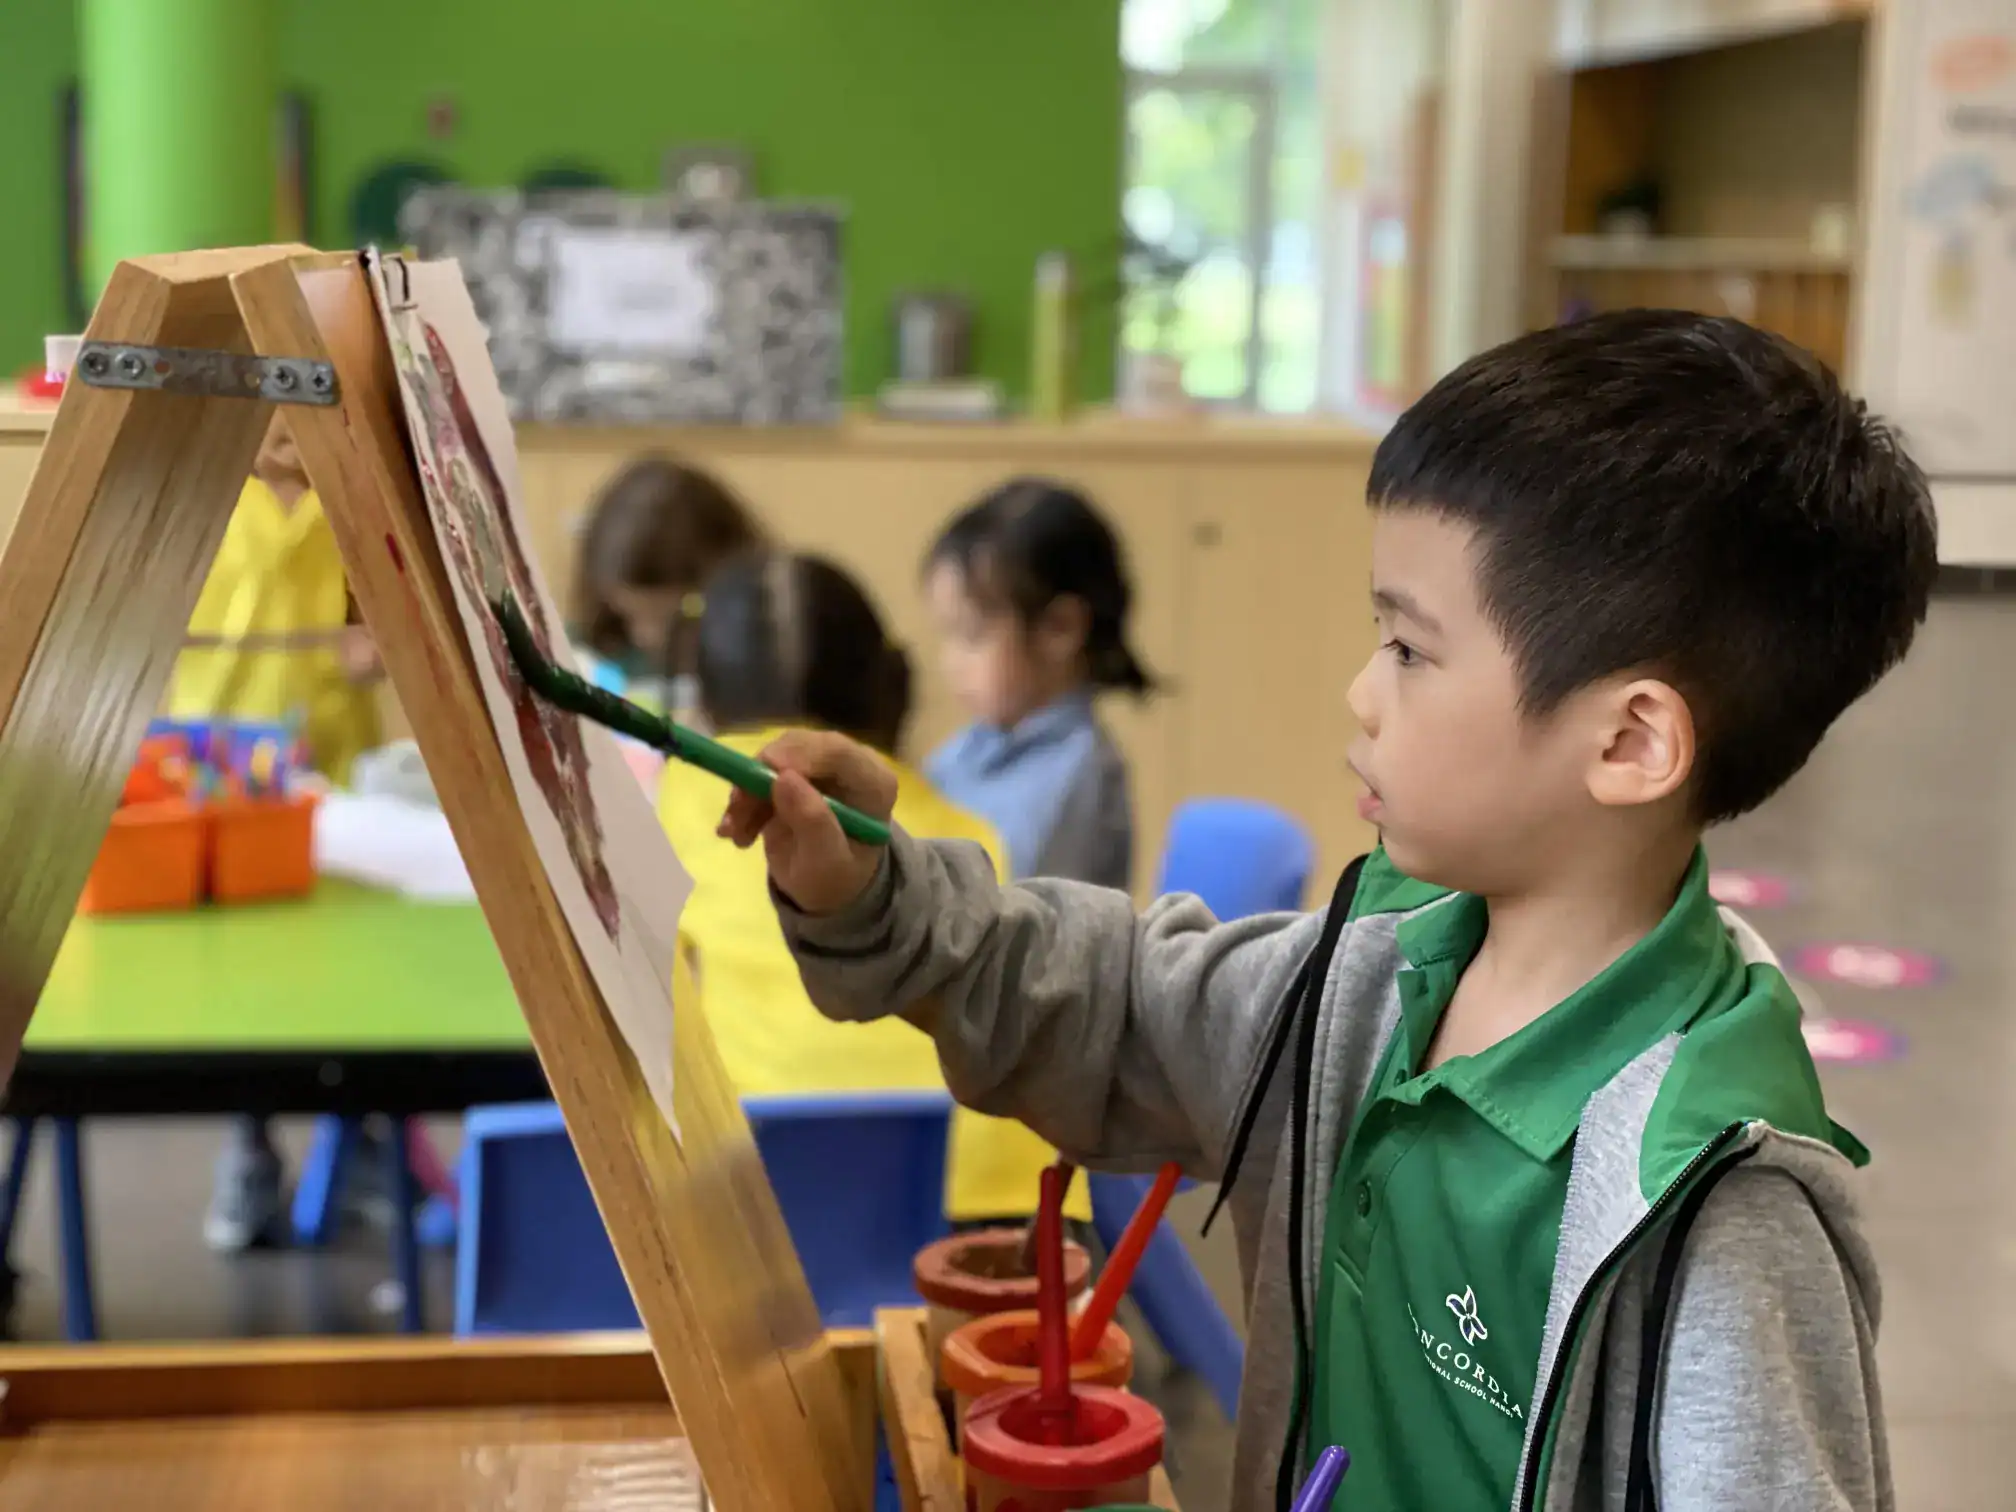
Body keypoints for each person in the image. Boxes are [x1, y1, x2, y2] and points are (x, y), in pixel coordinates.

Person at [720, 312, 1936, 1511]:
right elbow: (1103, 1001)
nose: (1361, 693)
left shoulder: (1715, 1207)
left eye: (1410, 649)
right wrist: (874, 890)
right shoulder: (1366, 977)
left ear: (1627, 740)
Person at [659, 550, 1085, 1225]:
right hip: (1003, 1218)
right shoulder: (973, 835)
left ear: (702, 698)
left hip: (766, 1211)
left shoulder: (678, 801)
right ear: (886, 688)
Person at [167, 415, 383, 1252]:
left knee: (351, 967)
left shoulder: (354, 486)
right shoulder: (202, 487)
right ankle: (248, 1151)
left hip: (337, 759)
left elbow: (387, 601)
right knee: (239, 983)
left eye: (309, 392)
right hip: (219, 766)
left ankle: (356, 1147)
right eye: (269, 398)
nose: (291, 422)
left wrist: (377, 638)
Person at [922, 479, 1152, 889]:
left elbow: (1019, 923)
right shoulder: (965, 750)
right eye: (947, 635)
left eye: (972, 635)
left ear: (1059, 629)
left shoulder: (1080, 772)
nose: (950, 661)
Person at [572, 455, 765, 718]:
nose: (647, 636)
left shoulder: (762, 658)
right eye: (627, 615)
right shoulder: (584, 654)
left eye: (674, 618)